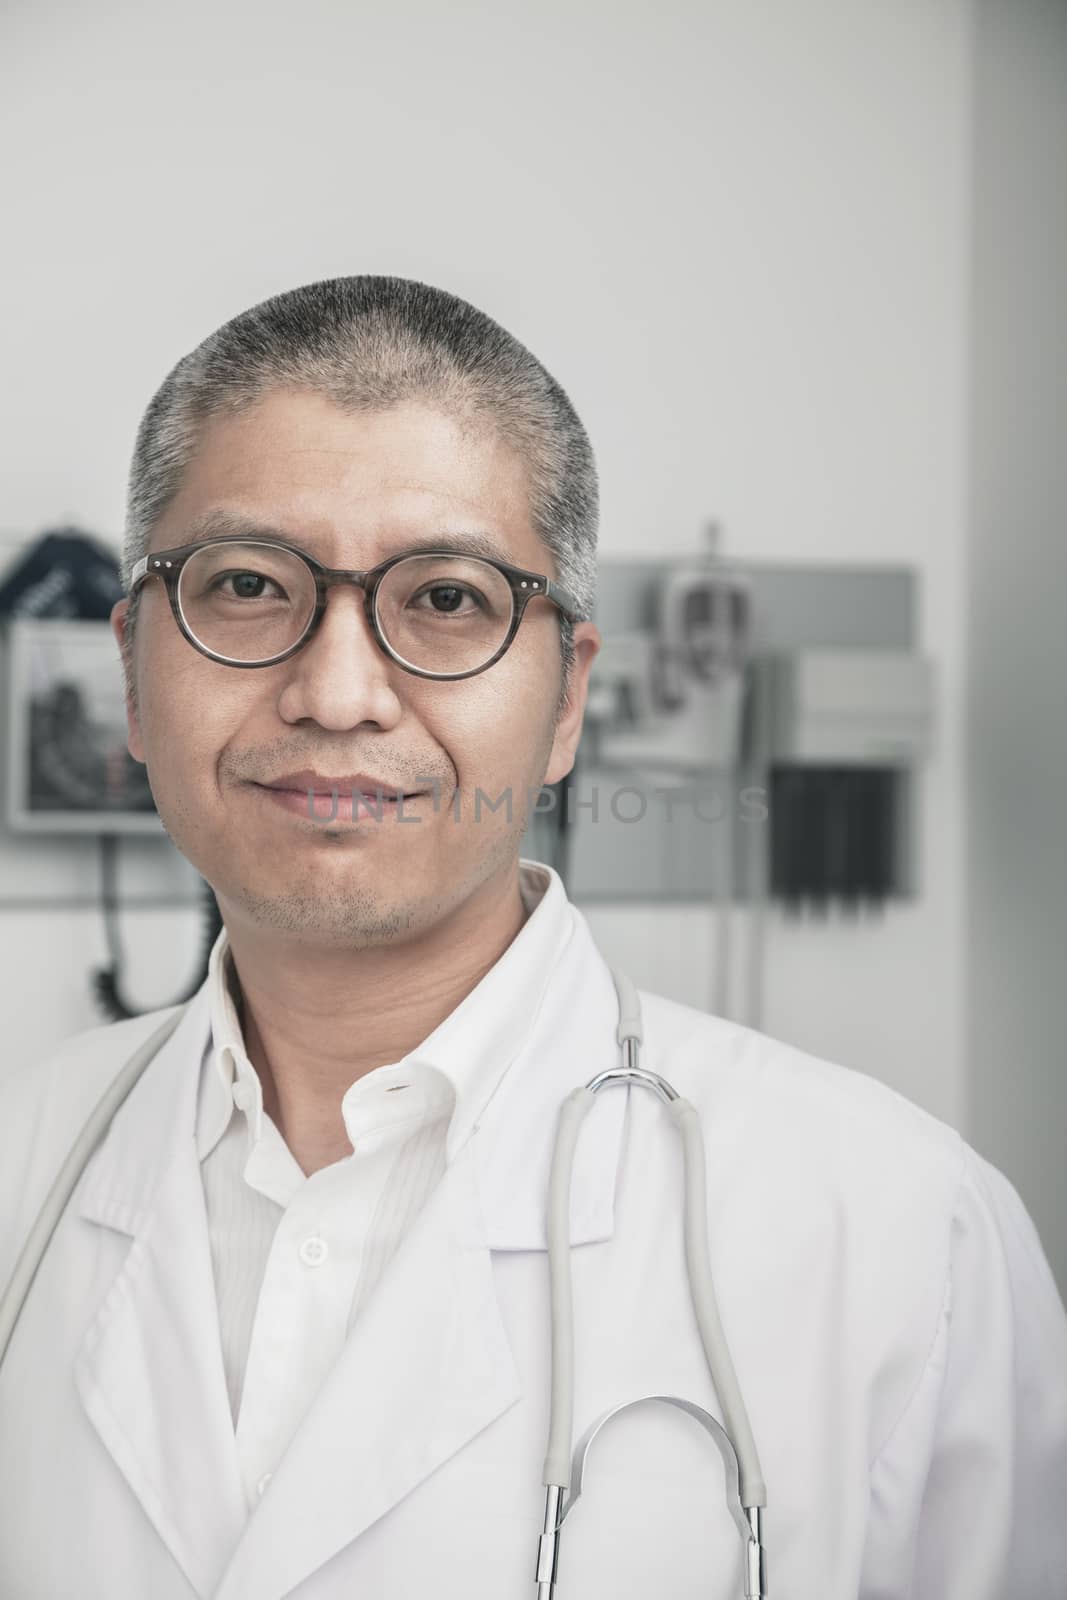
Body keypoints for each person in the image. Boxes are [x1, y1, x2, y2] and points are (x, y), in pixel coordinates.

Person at [1, 276, 1064, 1600]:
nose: (338, 692)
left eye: (446, 599)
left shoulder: (899, 1239)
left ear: (566, 698)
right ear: (133, 677)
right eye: (247, 584)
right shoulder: (22, 1168)